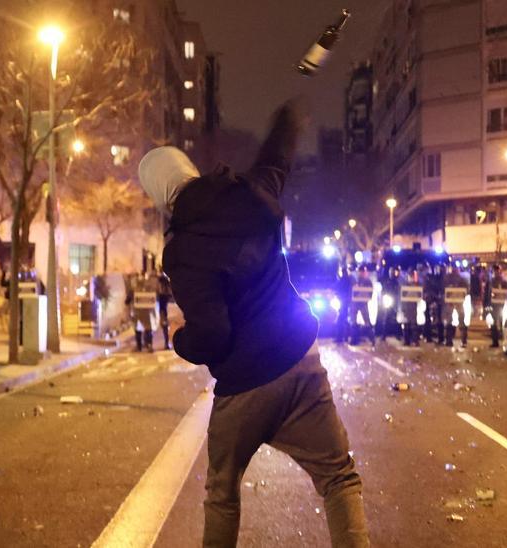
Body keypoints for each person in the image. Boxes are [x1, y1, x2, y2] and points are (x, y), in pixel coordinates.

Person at [137, 101, 368, 548]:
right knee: (339, 477)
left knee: (221, 494)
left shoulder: (183, 251)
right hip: (299, 361)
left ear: (161, 196)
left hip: (243, 386)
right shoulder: (248, 194)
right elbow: (275, 162)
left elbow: (213, 333)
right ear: (189, 171)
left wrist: (179, 337)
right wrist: (287, 119)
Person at [126, 271, 160, 352]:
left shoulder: (135, 284)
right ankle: (149, 345)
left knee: (139, 328)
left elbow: (129, 296)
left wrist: (127, 301)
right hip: (148, 311)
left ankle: (139, 346)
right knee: (148, 328)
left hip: (139, 311)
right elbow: (157, 295)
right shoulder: (151, 284)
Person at [442, 265, 470, 347]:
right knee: (455, 321)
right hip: (454, 302)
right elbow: (467, 290)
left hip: (456, 302)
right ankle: (461, 341)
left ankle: (451, 340)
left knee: (453, 321)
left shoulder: (449, 278)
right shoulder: (460, 279)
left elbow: (466, 290)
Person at [349, 267, 375, 346]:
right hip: (355, 303)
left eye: (363, 271)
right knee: (353, 322)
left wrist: (366, 298)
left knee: (367, 321)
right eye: (361, 271)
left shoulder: (367, 281)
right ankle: (354, 339)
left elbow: (370, 292)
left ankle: (372, 338)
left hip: (363, 303)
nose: (362, 273)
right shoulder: (355, 280)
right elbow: (352, 291)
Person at [398, 268, 423, 347]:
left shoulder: (417, 284)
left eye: (412, 275)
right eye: (410, 275)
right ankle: (407, 340)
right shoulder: (405, 284)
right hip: (406, 306)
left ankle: (415, 340)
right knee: (406, 324)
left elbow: (420, 295)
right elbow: (402, 295)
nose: (411, 277)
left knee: (413, 324)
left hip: (413, 306)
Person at [423, 264, 445, 344]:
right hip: (430, 300)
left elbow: (442, 288)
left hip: (437, 300)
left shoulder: (440, 278)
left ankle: (440, 338)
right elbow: (425, 288)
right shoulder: (428, 278)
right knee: (428, 319)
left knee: (439, 320)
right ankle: (428, 337)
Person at [487, 264, 506, 347]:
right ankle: (496, 341)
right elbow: (487, 294)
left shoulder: (503, 282)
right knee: (494, 323)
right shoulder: (491, 282)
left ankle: (499, 340)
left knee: (501, 323)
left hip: (500, 305)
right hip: (494, 305)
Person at [335, 266, 354, 343]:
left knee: (342, 320)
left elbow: (337, 288)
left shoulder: (343, 280)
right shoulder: (349, 280)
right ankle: (346, 337)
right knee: (345, 320)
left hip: (344, 302)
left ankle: (341, 337)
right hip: (346, 302)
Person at [157, 271, 174, 350]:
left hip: (167, 311)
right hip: (165, 311)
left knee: (166, 327)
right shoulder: (166, 293)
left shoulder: (166, 293)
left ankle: (167, 343)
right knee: (166, 327)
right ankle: (167, 343)